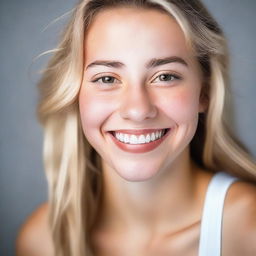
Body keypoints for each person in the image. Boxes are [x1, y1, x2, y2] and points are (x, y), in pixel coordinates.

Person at [16, 0, 256, 255]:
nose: (138, 110)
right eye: (107, 78)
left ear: (204, 92)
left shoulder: (248, 231)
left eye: (165, 77)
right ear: (74, 95)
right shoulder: (42, 241)